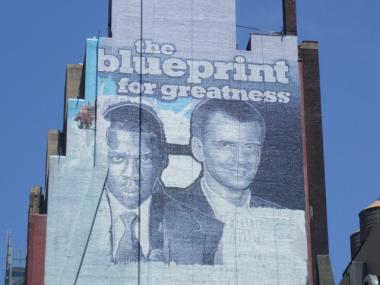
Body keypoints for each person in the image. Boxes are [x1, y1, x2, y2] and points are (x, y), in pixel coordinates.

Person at [164, 99, 282, 266]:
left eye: (250, 147)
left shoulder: (282, 220)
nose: (241, 159)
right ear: (198, 149)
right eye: (226, 145)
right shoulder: (165, 215)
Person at [101, 102, 169, 264]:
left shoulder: (191, 224)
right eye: (118, 158)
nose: (132, 174)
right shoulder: (74, 216)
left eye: (145, 159)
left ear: (162, 161)